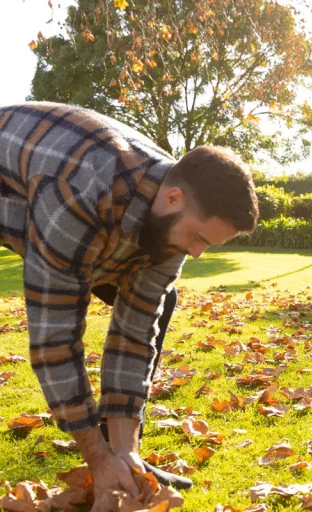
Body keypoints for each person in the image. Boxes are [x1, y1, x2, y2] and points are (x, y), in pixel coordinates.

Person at [0, 102, 259, 502]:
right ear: (173, 198)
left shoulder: (170, 208)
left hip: (69, 199)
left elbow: (135, 332)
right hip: (35, 180)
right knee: (64, 303)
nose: (196, 254)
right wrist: (96, 459)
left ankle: (122, 451)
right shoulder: (81, 185)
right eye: (199, 238)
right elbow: (54, 336)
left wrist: (124, 447)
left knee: (162, 299)